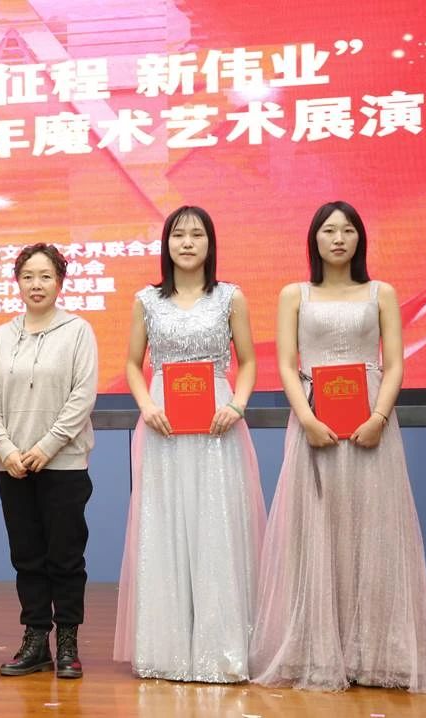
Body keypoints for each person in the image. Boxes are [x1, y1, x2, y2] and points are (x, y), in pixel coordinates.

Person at [249, 201, 426, 692]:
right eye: (329, 230)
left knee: (373, 528)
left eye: (347, 230)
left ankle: (375, 655)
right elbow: (286, 364)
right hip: (313, 423)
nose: (338, 238)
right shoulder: (294, 294)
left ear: (359, 239)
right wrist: (307, 419)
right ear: (314, 238)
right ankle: (316, 651)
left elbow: (395, 364)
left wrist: (379, 418)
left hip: (372, 422)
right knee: (317, 529)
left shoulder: (381, 293)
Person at [113, 205, 266, 683]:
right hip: (163, 426)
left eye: (197, 235)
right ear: (166, 244)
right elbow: (133, 363)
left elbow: (248, 361)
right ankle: (167, 651)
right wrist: (146, 406)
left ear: (210, 243)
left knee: (216, 528)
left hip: (218, 425)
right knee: (166, 530)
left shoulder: (230, 297)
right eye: (178, 235)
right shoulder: (146, 300)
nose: (186, 243)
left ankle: (221, 651)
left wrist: (237, 405)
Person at [0, 243, 97, 680]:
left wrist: (47, 446)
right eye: (28, 276)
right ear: (17, 281)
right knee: (26, 556)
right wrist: (5, 449)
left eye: (45, 276)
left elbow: (82, 395)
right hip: (12, 465)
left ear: (60, 281)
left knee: (65, 557)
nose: (36, 284)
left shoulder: (78, 331)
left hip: (64, 463)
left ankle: (67, 641)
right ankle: (35, 641)